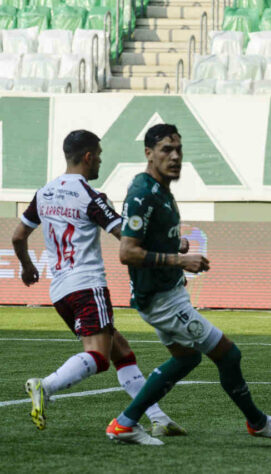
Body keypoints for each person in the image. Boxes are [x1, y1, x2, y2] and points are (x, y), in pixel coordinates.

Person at [105, 123, 271, 445]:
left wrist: (176, 244)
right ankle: (260, 423)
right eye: (166, 150)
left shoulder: (160, 189)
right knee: (229, 355)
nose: (175, 156)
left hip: (165, 295)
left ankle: (126, 422)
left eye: (178, 150)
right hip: (163, 302)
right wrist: (179, 260)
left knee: (187, 358)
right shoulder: (143, 193)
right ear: (148, 154)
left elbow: (150, 239)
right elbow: (127, 252)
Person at [12, 130, 183, 437]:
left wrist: (27, 267)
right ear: (88, 157)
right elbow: (126, 236)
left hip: (61, 291)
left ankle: (159, 418)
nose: (100, 161)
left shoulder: (44, 193)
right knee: (99, 356)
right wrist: (174, 246)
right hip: (88, 285)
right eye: (100, 156)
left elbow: (18, 235)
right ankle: (45, 386)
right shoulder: (89, 197)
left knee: (121, 351)